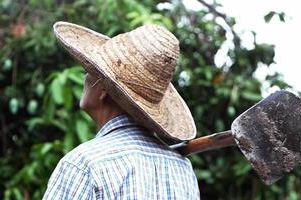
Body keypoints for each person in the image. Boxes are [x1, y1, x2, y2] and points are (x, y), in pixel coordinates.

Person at [43, 21, 199, 199]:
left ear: (103, 90)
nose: (85, 76)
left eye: (90, 70)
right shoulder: (183, 169)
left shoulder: (84, 165)